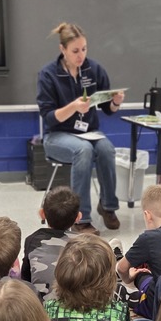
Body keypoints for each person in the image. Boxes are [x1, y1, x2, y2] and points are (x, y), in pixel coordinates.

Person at [36, 22, 124, 232]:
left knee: (106, 149)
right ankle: (80, 217)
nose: (80, 55)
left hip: (89, 133)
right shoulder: (48, 74)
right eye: (75, 51)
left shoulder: (93, 70)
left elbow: (108, 108)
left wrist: (116, 102)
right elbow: (49, 118)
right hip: (57, 136)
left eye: (84, 49)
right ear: (62, 49)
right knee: (83, 150)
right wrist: (74, 106)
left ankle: (108, 206)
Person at [21, 185, 81, 300]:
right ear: (78, 217)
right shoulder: (86, 243)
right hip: (78, 306)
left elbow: (26, 279)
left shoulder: (32, 241)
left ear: (42, 214)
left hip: (40, 311)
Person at [117, 183, 161, 284]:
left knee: (140, 273)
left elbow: (121, 269)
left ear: (147, 215)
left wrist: (128, 279)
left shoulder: (148, 238)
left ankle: (117, 259)